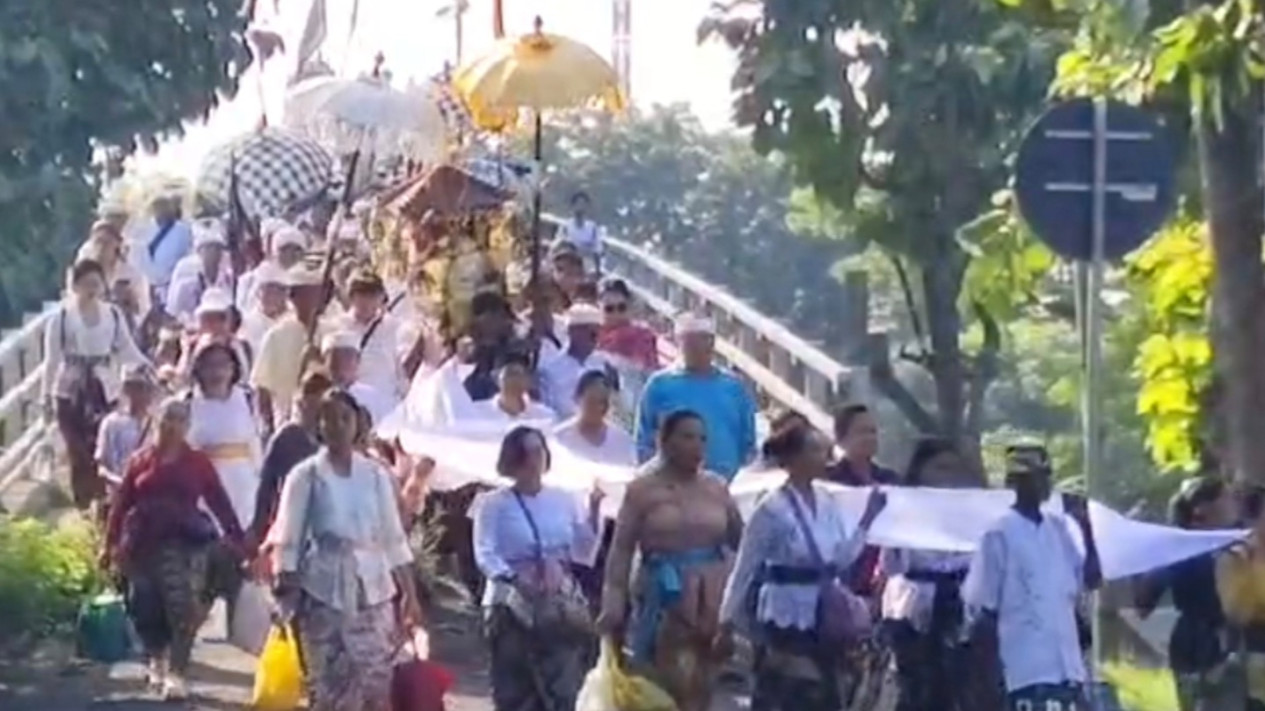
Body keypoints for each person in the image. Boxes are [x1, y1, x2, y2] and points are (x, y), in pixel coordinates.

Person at [720, 423, 887, 711]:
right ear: (794, 458)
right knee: (787, 688)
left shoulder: (827, 501)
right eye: (814, 450)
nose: (823, 456)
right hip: (785, 608)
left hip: (822, 609)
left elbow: (841, 557)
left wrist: (867, 521)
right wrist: (726, 620)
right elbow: (746, 566)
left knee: (825, 690)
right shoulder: (772, 508)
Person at [272, 388, 421, 711]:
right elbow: (289, 537)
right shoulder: (305, 476)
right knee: (330, 687)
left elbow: (394, 538)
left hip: (373, 590)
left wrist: (410, 594)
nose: (338, 426)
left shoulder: (375, 475)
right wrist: (286, 590)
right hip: (322, 589)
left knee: (375, 683)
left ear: (357, 423)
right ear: (319, 425)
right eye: (329, 419)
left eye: (345, 418)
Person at [599, 410, 744, 711]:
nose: (697, 446)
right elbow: (622, 550)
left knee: (701, 689)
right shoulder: (642, 489)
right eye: (687, 437)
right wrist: (613, 601)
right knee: (666, 687)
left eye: (702, 438)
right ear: (664, 441)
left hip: (710, 602)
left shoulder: (716, 487)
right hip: (663, 598)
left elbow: (742, 544)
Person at [102, 396, 244, 700]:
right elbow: (121, 504)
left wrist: (237, 537)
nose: (173, 425)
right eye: (168, 418)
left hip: (185, 543)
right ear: (158, 421)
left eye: (180, 419)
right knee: (144, 603)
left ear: (187, 426)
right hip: (143, 543)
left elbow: (218, 499)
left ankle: (177, 672)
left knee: (183, 605)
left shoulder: (197, 462)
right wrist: (109, 544)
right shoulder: (140, 460)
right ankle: (157, 660)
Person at [963, 444, 1103, 711]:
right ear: (1015, 482)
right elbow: (984, 613)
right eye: (1035, 476)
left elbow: (1092, 579)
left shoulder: (1059, 529)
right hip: (1024, 672)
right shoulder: (999, 533)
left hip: (1067, 670)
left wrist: (1086, 526)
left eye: (1046, 475)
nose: (1044, 483)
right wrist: (990, 682)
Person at [473, 426, 602, 711]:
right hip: (510, 604)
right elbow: (485, 552)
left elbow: (583, 549)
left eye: (539, 450)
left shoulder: (563, 498)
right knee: (516, 687)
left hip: (557, 602)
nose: (535, 458)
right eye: (527, 451)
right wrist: (513, 579)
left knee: (564, 684)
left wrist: (594, 510)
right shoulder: (492, 504)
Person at [880, 438, 978, 711]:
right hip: (914, 608)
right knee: (915, 686)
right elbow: (891, 563)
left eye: (952, 469)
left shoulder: (970, 511)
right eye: (939, 468)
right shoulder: (901, 508)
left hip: (960, 607)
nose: (946, 477)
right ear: (920, 470)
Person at [44, 259, 149, 510]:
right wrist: (46, 396)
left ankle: (104, 505)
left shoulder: (112, 315)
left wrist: (149, 369)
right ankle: (83, 506)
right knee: (77, 451)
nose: (92, 289)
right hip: (70, 390)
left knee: (102, 448)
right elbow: (52, 360)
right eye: (85, 283)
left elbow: (127, 350)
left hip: (104, 388)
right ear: (75, 285)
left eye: (96, 283)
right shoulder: (61, 317)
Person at [1136, 476, 1241, 711]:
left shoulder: (1234, 542)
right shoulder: (1182, 548)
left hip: (1220, 645)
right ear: (1203, 508)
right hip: (1202, 645)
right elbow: (1144, 602)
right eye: (1226, 497)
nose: (1233, 502)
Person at [635, 313, 756, 481]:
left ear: (712, 343)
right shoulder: (659, 384)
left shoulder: (733, 386)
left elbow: (748, 440)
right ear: (679, 342)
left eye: (704, 340)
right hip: (673, 487)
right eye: (689, 342)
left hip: (726, 487)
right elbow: (644, 438)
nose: (698, 348)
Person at [185, 337, 263, 538]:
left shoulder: (247, 398)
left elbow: (255, 442)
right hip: (203, 486)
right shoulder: (187, 402)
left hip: (242, 483)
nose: (217, 372)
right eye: (210, 365)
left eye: (222, 364)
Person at [249, 370, 333, 547]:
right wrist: (258, 530)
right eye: (311, 404)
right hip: (290, 522)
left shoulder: (333, 439)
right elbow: (267, 487)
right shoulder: (287, 438)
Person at [252, 263, 334, 434]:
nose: (311, 300)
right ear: (293, 298)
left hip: (327, 424)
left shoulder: (333, 332)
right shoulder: (276, 335)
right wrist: (268, 425)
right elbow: (262, 387)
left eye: (314, 293)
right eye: (303, 294)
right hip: (288, 424)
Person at [338, 269, 406, 398]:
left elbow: (401, 371)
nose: (367, 301)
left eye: (372, 295)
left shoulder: (394, 328)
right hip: (351, 403)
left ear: (381, 298)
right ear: (351, 297)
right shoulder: (339, 327)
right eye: (361, 294)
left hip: (385, 403)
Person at [537, 303, 611, 418]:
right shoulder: (549, 369)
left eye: (597, 332)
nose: (595, 337)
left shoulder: (605, 365)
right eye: (590, 332)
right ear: (572, 331)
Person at [552, 370, 636, 465]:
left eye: (603, 402)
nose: (600, 407)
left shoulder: (623, 441)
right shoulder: (559, 438)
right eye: (592, 401)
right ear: (578, 398)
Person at [96, 364, 156, 491]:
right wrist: (120, 483)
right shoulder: (111, 423)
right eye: (138, 388)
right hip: (120, 494)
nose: (144, 394)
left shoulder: (157, 424)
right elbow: (102, 468)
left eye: (147, 388)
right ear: (126, 389)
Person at [76, 219, 153, 318]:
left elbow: (143, 308)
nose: (101, 247)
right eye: (97, 241)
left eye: (107, 242)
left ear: (117, 244)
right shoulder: (81, 273)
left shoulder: (131, 275)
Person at [165, 218, 234, 325]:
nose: (212, 253)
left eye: (216, 248)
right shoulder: (184, 270)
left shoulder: (230, 272)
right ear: (199, 252)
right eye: (207, 248)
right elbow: (174, 312)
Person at [321, 330, 395, 426]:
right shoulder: (315, 397)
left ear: (358, 361)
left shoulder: (374, 398)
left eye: (347, 359)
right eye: (335, 360)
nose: (341, 366)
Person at [178, 288, 253, 378]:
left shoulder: (242, 346)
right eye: (208, 318)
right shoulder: (191, 346)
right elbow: (181, 379)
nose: (214, 324)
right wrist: (188, 352)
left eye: (220, 318)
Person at [237, 224, 307, 311]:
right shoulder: (259, 277)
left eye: (298, 250)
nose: (292, 254)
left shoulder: (305, 279)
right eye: (287, 249)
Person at [597, 278, 659, 372]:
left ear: (629, 306)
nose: (616, 314)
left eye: (621, 307)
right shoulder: (591, 333)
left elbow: (646, 368)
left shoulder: (641, 335)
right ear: (599, 308)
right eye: (609, 309)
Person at [141, 194, 194, 301]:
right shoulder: (148, 230)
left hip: (172, 284)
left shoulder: (182, 230)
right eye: (157, 207)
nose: (161, 211)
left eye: (164, 206)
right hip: (150, 287)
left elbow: (182, 255)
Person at [477, 351, 557, 422]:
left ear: (528, 380)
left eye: (518, 373)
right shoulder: (478, 414)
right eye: (507, 373)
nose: (512, 379)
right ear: (496, 378)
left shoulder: (545, 417)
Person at [239, 261, 290, 356]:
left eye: (277, 291)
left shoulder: (292, 320)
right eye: (268, 291)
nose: (272, 297)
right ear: (259, 293)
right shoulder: (249, 323)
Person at [557, 191, 606, 276]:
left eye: (583, 204)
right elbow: (558, 247)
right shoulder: (566, 226)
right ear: (572, 206)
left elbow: (597, 251)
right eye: (578, 204)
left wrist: (597, 271)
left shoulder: (592, 228)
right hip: (567, 269)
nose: (580, 207)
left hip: (586, 269)